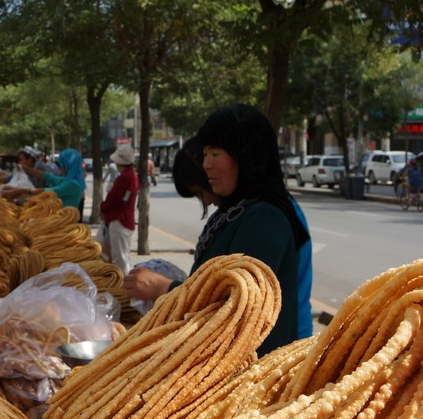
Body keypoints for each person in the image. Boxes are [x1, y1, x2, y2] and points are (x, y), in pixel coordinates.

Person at [124, 104, 310, 355]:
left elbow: (234, 308)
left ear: (244, 156)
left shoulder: (265, 218)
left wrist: (164, 288)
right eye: (204, 154)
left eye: (215, 154)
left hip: (253, 373)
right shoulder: (237, 210)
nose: (206, 164)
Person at [99, 143, 138, 274]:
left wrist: (102, 208)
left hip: (119, 221)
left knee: (119, 260)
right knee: (124, 256)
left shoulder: (124, 178)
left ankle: (121, 289)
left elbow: (112, 200)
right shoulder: (132, 176)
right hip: (126, 221)